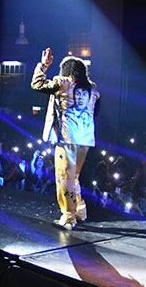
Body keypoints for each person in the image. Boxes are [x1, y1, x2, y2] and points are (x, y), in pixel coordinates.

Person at [32, 47, 100, 230]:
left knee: (64, 177)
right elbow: (96, 113)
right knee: (74, 177)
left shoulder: (62, 82)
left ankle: (68, 217)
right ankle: (80, 210)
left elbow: (37, 84)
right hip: (84, 140)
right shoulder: (93, 89)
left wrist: (43, 66)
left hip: (67, 138)